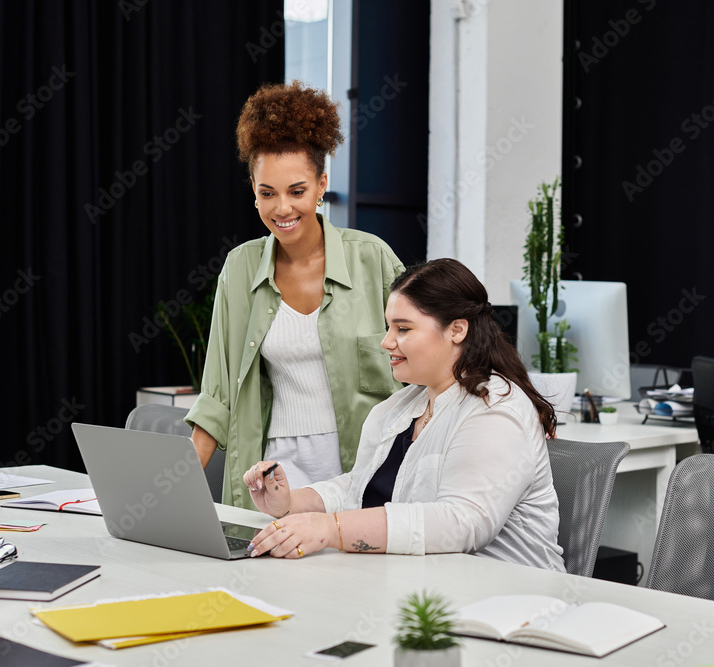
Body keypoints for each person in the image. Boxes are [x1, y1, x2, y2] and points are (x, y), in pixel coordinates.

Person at [242, 258, 564, 572]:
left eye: (403, 328)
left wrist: (330, 528)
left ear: (456, 330)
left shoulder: (495, 409)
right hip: (417, 584)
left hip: (508, 596)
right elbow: (359, 486)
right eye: (388, 327)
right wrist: (289, 504)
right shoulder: (401, 407)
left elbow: (462, 522)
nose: (386, 342)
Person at [186, 81, 404, 509]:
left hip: (365, 470)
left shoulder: (372, 259)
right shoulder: (240, 268)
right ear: (252, 188)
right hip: (275, 473)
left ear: (322, 184)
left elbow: (434, 355)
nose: (282, 208)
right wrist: (163, 498)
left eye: (297, 191)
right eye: (267, 193)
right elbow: (217, 397)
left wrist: (509, 403)